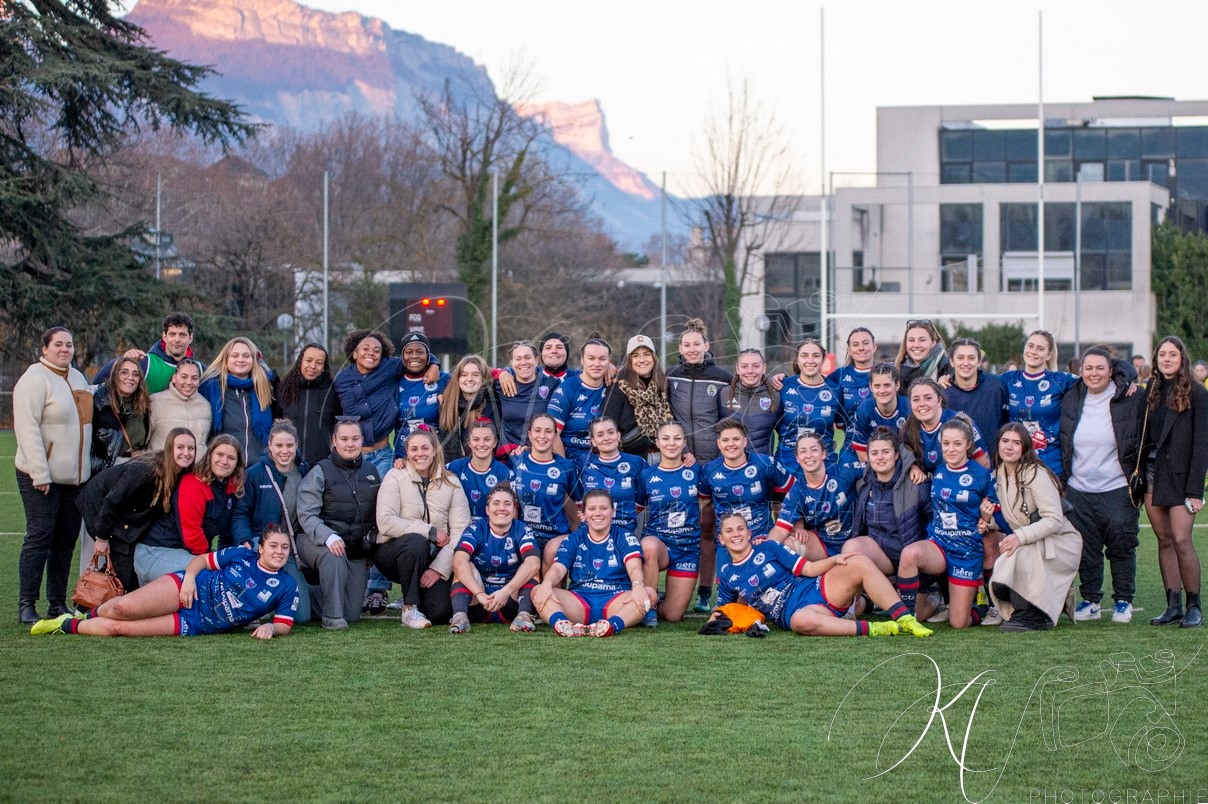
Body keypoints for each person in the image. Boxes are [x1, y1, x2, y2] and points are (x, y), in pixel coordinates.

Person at [31, 526, 298, 639]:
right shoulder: (242, 554)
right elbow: (202, 561)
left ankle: (64, 626)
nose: (279, 552)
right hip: (187, 588)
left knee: (118, 628)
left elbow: (284, 625)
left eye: (284, 548)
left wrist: (271, 628)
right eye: (273, 546)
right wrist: (190, 579)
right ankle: (84, 615)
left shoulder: (287, 585)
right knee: (121, 608)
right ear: (260, 548)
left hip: (196, 622)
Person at [713, 513, 932, 637]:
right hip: (796, 612)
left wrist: (834, 560)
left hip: (813, 588)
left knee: (858, 561)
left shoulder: (769, 548)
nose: (736, 535)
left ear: (749, 533)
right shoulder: (728, 575)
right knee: (801, 622)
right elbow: (723, 611)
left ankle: (906, 619)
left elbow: (808, 569)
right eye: (729, 531)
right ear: (721, 539)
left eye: (740, 529)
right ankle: (875, 628)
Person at [1059, 346, 1145, 624]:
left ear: (1111, 371)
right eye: (1088, 368)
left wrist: (1129, 377)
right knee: (1086, 547)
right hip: (1079, 487)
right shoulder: (1072, 395)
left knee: (1122, 544)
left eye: (1100, 368)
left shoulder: (1129, 395)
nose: (1093, 373)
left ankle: (1123, 601)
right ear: (1080, 371)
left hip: (1117, 487)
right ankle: (1091, 600)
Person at [14, 326, 93, 624]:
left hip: (75, 480)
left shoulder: (78, 378)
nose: (64, 349)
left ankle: (57, 604)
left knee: (65, 541)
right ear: (44, 348)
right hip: (41, 477)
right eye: (58, 344)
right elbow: (27, 428)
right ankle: (27, 604)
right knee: (40, 536)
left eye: (69, 345)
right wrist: (40, 472)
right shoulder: (34, 379)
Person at [898, 418, 1000, 628]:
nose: (951, 449)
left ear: (968, 445)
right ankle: (907, 617)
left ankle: (979, 606)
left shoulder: (981, 475)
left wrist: (986, 518)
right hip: (939, 544)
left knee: (958, 623)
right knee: (909, 554)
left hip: (966, 551)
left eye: (957, 444)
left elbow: (995, 512)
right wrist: (913, 467)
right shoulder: (938, 469)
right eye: (946, 443)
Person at [984, 423, 1082, 632]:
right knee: (1001, 582)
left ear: (1025, 448)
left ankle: (1032, 616)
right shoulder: (999, 474)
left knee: (1019, 559)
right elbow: (1013, 518)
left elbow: (1054, 519)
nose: (1009, 447)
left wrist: (1019, 537)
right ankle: (1037, 610)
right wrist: (987, 520)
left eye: (1016, 443)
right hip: (1032, 540)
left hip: (1059, 541)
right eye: (1005, 441)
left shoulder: (1036, 474)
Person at [77, 428, 198, 593]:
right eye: (180, 447)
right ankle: (91, 601)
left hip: (129, 515)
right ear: (170, 448)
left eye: (191, 448)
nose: (186, 453)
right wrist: (102, 537)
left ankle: (119, 596)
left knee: (126, 565)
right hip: (100, 505)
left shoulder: (182, 474)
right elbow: (113, 501)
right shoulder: (144, 471)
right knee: (121, 565)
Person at [1141, 336, 1208, 629]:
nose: (1167, 359)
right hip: (1152, 473)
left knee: (1181, 539)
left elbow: (1202, 445)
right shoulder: (1152, 388)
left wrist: (1195, 490)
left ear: (1182, 358)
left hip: (1182, 478)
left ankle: (1194, 606)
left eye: (1172, 354)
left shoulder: (1197, 392)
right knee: (1164, 540)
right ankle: (1173, 606)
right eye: (1162, 354)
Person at [374, 428, 471, 628]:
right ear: (407, 452)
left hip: (433, 558)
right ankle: (409, 608)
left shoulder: (451, 482)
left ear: (434, 450)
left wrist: (438, 569)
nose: (420, 454)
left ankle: (419, 599)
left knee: (439, 612)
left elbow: (461, 530)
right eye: (414, 449)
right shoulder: (395, 476)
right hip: (394, 553)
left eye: (425, 448)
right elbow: (385, 521)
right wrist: (429, 531)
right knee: (416, 541)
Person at [697, 419, 795, 608]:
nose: (731, 444)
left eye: (736, 439)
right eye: (725, 440)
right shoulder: (710, 470)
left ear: (745, 441)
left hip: (760, 537)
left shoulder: (765, 463)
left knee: (754, 596)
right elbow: (704, 503)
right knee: (727, 607)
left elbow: (793, 493)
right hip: (728, 542)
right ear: (718, 444)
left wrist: (795, 525)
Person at [296, 417, 382, 630]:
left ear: (362, 440)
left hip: (354, 549)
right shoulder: (320, 470)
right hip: (317, 542)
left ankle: (304, 597)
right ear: (334, 441)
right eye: (344, 439)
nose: (350, 444)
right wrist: (328, 536)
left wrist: (370, 547)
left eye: (355, 438)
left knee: (352, 613)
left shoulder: (371, 471)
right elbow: (306, 514)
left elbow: (377, 515)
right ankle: (332, 618)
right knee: (333, 554)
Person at [532, 489, 655, 637]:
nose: (598, 513)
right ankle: (563, 624)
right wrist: (547, 584)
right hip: (579, 600)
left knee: (649, 594)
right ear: (584, 514)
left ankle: (611, 625)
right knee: (538, 590)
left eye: (604, 508)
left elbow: (634, 566)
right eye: (591, 509)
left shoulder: (624, 536)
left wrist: (638, 585)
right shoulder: (574, 538)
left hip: (615, 599)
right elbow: (558, 569)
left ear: (612, 512)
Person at [134, 434, 245, 585]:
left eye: (231, 458)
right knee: (210, 577)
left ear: (237, 463)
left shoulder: (230, 487)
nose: (224, 461)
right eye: (219, 455)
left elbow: (228, 526)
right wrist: (211, 560)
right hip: (156, 551)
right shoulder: (194, 483)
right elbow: (192, 535)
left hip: (187, 553)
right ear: (209, 456)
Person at [231, 420, 312, 624]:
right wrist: (244, 540)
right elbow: (240, 513)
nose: (284, 451)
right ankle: (256, 604)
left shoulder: (304, 471)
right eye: (279, 445)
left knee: (302, 616)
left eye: (289, 445)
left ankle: (284, 596)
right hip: (261, 542)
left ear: (296, 445)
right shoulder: (255, 473)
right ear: (269, 445)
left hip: (289, 547)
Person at [449, 485, 542, 634]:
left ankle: (524, 616)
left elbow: (533, 564)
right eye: (496, 503)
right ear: (487, 510)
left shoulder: (522, 529)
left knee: (532, 570)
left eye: (507, 504)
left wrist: (505, 592)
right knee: (464, 567)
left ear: (514, 510)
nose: (502, 508)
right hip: (480, 601)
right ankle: (460, 617)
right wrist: (479, 594)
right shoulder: (476, 528)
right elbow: (459, 561)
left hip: (511, 601)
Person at [845, 427, 931, 581]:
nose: (880, 458)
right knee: (851, 548)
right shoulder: (863, 484)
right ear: (868, 457)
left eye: (886, 452)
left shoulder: (916, 483)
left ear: (896, 455)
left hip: (909, 556)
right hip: (880, 555)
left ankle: (920, 587)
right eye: (874, 453)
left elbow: (935, 521)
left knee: (920, 602)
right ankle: (866, 595)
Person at [639, 422, 703, 625]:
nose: (671, 443)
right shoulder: (647, 474)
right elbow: (636, 508)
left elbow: (708, 502)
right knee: (648, 547)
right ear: (657, 443)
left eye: (677, 438)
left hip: (687, 548)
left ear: (684, 442)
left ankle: (661, 600)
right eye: (665, 439)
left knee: (673, 616)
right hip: (659, 544)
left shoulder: (697, 471)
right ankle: (649, 607)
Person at [771, 433, 863, 559]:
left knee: (850, 549)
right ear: (797, 458)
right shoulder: (797, 491)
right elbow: (780, 529)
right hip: (822, 545)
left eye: (814, 450)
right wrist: (762, 553)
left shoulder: (844, 471)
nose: (808, 455)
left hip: (855, 540)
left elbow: (874, 468)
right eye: (803, 451)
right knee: (786, 544)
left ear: (823, 454)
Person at [1000, 330, 1078, 478]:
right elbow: (977, 382)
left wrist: (1123, 383)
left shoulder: (1060, 380)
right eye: (1030, 346)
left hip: (1050, 466)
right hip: (1015, 465)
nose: (1033, 351)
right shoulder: (1007, 379)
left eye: (1040, 348)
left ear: (1049, 355)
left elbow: (1095, 378)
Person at [510, 414, 581, 568]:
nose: (542, 436)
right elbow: (511, 503)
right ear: (530, 434)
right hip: (525, 535)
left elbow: (580, 504)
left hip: (556, 536)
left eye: (548, 431)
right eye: (537, 430)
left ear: (555, 436)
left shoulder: (566, 467)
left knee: (551, 552)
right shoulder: (517, 461)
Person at [198, 336, 276, 465]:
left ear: (254, 359)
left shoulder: (266, 386)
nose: (240, 360)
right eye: (235, 356)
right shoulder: (211, 388)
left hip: (258, 467)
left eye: (246, 356)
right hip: (224, 466)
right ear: (226, 359)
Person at [666, 318, 730, 466]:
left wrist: (775, 380)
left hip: (714, 457)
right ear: (680, 348)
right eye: (687, 345)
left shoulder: (723, 377)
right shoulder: (670, 375)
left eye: (697, 344)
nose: (692, 349)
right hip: (681, 456)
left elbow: (749, 383)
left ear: (706, 346)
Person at [776, 338, 846, 470]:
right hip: (788, 462)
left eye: (816, 356)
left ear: (823, 359)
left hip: (824, 462)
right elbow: (770, 424)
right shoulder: (783, 386)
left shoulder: (835, 390)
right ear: (797, 360)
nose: (810, 360)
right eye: (804, 355)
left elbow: (842, 427)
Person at [601, 334, 673, 458]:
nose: (642, 360)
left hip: (662, 458)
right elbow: (608, 426)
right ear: (630, 360)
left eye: (647, 354)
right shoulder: (618, 388)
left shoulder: (663, 386)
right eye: (635, 356)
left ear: (653, 357)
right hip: (629, 459)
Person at [94, 312, 202, 394]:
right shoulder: (146, 362)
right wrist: (122, 361)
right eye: (172, 334)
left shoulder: (199, 369)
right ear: (164, 336)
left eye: (182, 335)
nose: (177, 339)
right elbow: (98, 383)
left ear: (190, 338)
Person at [901, 378, 989, 476]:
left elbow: (983, 463)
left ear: (939, 400)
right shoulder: (909, 429)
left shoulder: (961, 423)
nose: (922, 404)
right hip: (930, 483)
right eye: (916, 400)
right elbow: (903, 454)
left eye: (928, 398)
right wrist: (913, 466)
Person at [576, 417, 646, 536]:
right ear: (593, 441)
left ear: (618, 435)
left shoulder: (637, 463)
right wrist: (581, 510)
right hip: (590, 531)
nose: (607, 438)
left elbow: (650, 492)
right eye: (600, 435)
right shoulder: (583, 462)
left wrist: (628, 512)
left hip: (624, 531)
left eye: (611, 432)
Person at [547, 335, 612, 462]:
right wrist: (565, 467)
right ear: (582, 360)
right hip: (571, 458)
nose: (597, 364)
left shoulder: (613, 386)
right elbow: (553, 434)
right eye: (591, 358)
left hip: (603, 460)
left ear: (609, 361)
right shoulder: (567, 389)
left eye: (602, 359)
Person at [494, 341, 561, 461]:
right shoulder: (501, 384)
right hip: (508, 456)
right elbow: (478, 371)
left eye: (527, 357)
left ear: (537, 360)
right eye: (518, 359)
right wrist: (501, 373)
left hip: (540, 454)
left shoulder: (551, 384)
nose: (523, 362)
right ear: (511, 363)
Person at [276, 343, 341, 466]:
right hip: (288, 464)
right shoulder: (283, 389)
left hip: (321, 464)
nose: (313, 366)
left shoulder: (333, 392)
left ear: (324, 367)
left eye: (319, 363)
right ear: (300, 361)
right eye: (308, 360)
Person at [90, 355, 152, 475]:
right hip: (106, 471)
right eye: (124, 373)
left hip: (135, 468)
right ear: (114, 376)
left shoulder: (143, 405)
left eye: (135, 374)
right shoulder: (100, 403)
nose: (130, 378)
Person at [943, 337, 1008, 450]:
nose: (966, 363)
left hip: (994, 457)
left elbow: (1008, 420)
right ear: (952, 361)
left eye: (971, 358)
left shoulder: (996, 384)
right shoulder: (943, 391)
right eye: (960, 357)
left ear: (978, 362)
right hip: (957, 458)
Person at [392, 331, 449, 456]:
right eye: (408, 352)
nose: (414, 356)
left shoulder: (444, 379)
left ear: (428, 355)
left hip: (436, 456)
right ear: (402, 356)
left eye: (420, 352)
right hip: (402, 458)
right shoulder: (393, 382)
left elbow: (474, 381)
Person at [438, 355, 501, 462]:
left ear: (483, 378)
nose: (469, 379)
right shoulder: (447, 402)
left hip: (486, 465)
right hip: (452, 466)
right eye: (464, 375)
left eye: (476, 375)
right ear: (457, 378)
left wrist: (503, 373)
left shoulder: (493, 402)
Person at [448, 421, 514, 521]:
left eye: (487, 439)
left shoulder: (505, 473)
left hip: (492, 527)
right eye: (476, 439)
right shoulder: (454, 467)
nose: (481, 444)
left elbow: (512, 511)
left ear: (495, 442)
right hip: (460, 526)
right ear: (469, 443)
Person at [147, 358, 211, 459]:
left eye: (194, 378)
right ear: (174, 378)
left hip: (197, 467)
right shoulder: (155, 402)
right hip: (162, 466)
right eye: (184, 377)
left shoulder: (205, 405)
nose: (189, 382)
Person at [720, 348, 779, 456]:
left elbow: (785, 432)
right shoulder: (724, 393)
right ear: (737, 369)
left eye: (756, 366)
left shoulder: (776, 396)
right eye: (744, 366)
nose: (750, 371)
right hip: (732, 463)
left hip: (762, 463)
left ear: (764, 368)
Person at [848, 363, 911, 458]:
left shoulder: (909, 408)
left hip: (906, 460)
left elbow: (917, 447)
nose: (882, 391)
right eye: (877, 386)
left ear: (897, 385)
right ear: (871, 387)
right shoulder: (863, 410)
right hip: (875, 462)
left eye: (887, 385)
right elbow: (862, 454)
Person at [827, 327, 878, 424]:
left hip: (881, 432)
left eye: (866, 343)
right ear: (849, 350)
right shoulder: (838, 375)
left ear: (874, 347)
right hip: (849, 433)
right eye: (855, 345)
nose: (861, 348)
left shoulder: (885, 373)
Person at [895, 320, 950, 387]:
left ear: (933, 343)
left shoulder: (949, 371)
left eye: (922, 340)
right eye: (911, 340)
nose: (916, 345)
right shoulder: (895, 371)